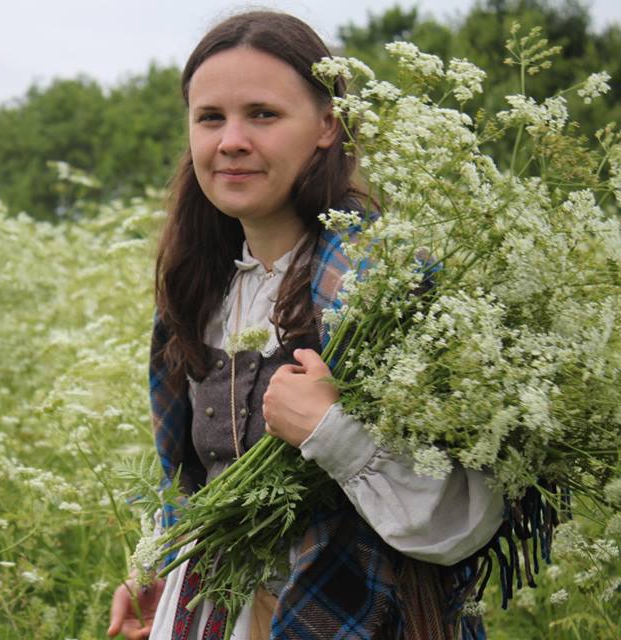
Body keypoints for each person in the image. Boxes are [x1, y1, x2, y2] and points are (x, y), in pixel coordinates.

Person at [107, 12, 504, 640]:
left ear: (326, 126)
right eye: (211, 117)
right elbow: (190, 479)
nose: (231, 140)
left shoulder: (389, 285)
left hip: (362, 617)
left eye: (262, 114)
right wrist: (153, 566)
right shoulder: (199, 289)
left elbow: (467, 515)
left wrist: (332, 431)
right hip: (218, 615)